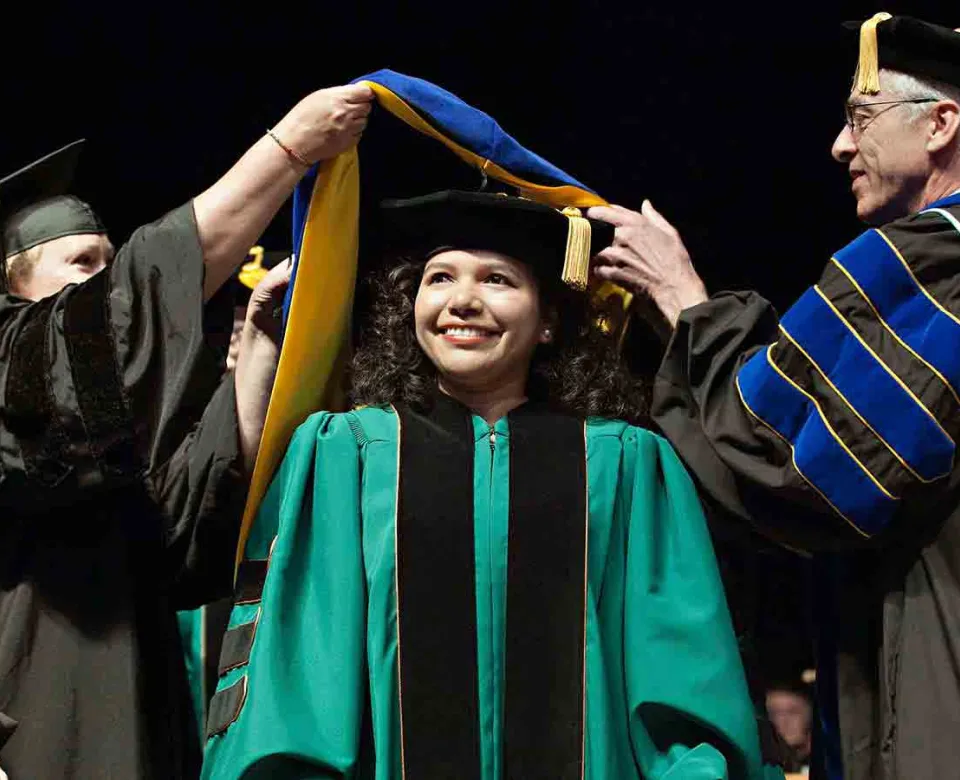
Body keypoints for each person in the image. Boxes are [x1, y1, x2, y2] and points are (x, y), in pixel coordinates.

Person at [199, 188, 780, 780]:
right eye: (440, 278)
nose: (463, 302)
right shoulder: (344, 454)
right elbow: (297, 673)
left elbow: (682, 673)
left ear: (548, 321)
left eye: (498, 280)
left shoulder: (626, 464)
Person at [587, 13, 960, 780]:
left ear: (941, 124)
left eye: (862, 119)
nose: (841, 145)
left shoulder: (935, 263)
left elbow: (785, 459)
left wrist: (684, 299)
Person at [0, 82, 374, 779]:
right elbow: (107, 324)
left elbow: (184, 523)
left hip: (137, 720)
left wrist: (261, 348)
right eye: (81, 266)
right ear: (12, 292)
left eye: (107, 262)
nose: (103, 283)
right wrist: (286, 149)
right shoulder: (14, 374)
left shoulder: (103, 444)